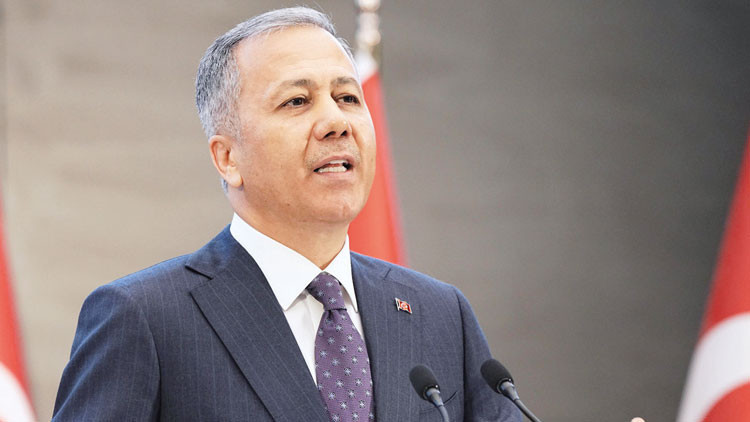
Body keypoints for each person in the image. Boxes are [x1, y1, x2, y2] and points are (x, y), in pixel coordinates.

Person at [52, 7, 521, 422]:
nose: (336, 122)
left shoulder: (440, 313)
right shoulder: (145, 318)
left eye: (348, 98)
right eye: (297, 101)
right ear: (228, 158)